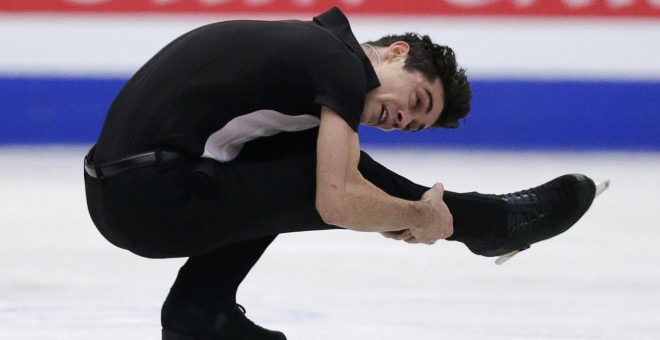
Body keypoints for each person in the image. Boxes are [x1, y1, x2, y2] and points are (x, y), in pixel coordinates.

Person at [83, 7, 599, 340]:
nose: (402, 121)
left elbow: (343, 184)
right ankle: (487, 222)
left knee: (310, 153)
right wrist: (421, 217)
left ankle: (200, 313)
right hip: (147, 199)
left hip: (125, 190)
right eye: (416, 100)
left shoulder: (313, 53)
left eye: (414, 126)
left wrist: (402, 212)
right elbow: (337, 200)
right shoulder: (338, 64)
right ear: (397, 52)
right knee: (320, 167)